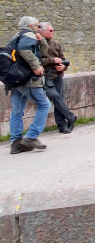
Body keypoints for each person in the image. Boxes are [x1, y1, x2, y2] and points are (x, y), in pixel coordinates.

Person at [7, 17, 51, 154]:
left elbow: (44, 50)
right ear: (31, 26)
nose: (39, 28)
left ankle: (16, 143)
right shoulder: (29, 34)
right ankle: (31, 136)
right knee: (44, 105)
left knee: (17, 110)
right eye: (38, 26)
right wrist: (36, 66)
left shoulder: (17, 36)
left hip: (16, 79)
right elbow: (25, 50)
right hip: (29, 79)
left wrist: (41, 39)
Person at [39, 22, 76, 134]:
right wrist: (53, 61)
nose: (53, 32)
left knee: (59, 99)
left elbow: (63, 59)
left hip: (58, 76)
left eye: (53, 30)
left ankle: (62, 125)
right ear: (43, 32)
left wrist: (63, 67)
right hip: (46, 76)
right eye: (50, 30)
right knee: (55, 97)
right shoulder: (39, 45)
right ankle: (70, 117)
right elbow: (38, 61)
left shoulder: (56, 44)